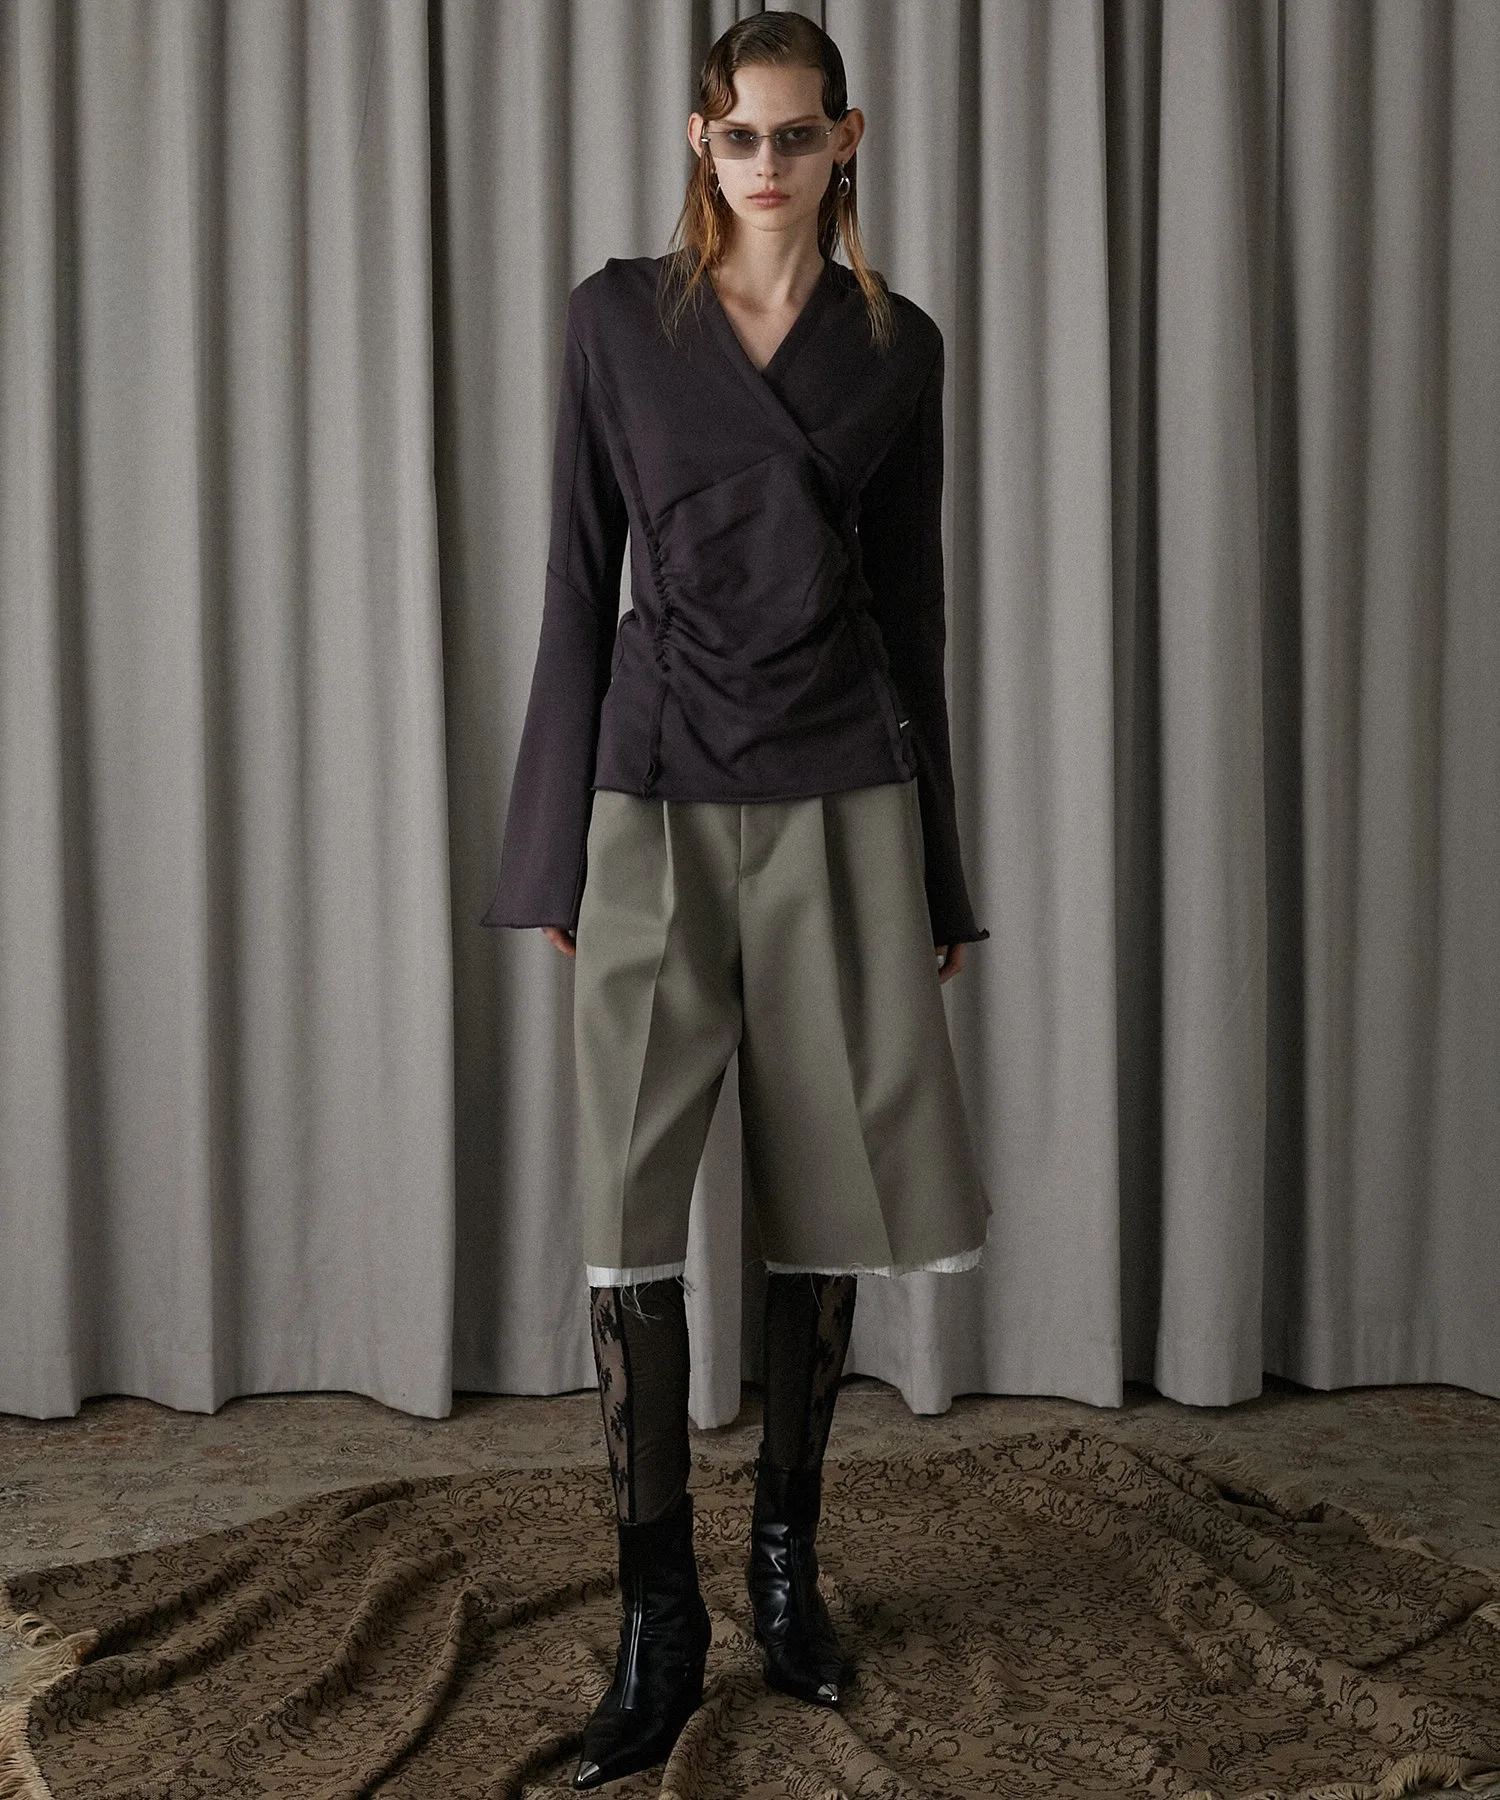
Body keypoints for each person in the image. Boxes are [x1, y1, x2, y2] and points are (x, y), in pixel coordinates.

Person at [479, 12, 992, 1789]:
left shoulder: (898, 346)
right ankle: (658, 1620)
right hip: (655, 785)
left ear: (850, 138)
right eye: (739, 134)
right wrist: (552, 847)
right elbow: (576, 578)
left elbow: (915, 613)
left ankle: (786, 1572)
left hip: (845, 790)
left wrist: (943, 872)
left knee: (825, 1186)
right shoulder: (618, 320)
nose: (768, 163)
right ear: (700, 141)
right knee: (628, 1206)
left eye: (797, 133)